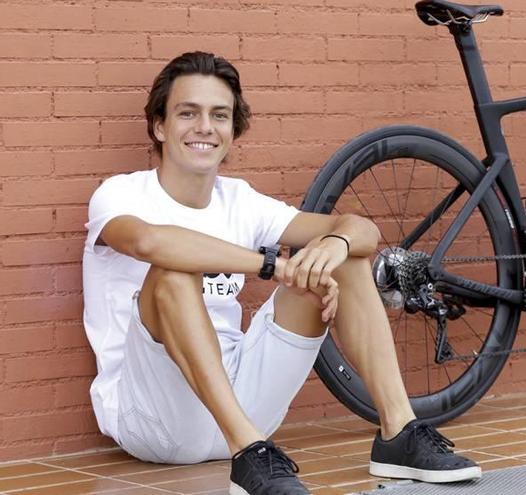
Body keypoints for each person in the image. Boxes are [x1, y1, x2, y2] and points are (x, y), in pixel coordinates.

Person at [81, 51, 480, 495]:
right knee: (173, 273)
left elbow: (363, 230)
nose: (204, 128)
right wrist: (273, 265)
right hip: (154, 418)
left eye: (219, 115)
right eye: (187, 113)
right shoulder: (120, 194)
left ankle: (398, 433)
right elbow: (151, 244)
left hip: (246, 402)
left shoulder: (241, 200)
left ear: (233, 130)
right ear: (159, 126)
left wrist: (335, 244)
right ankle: (248, 453)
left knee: (343, 257)